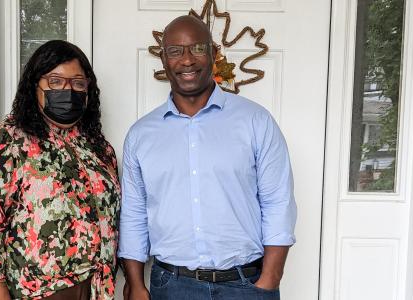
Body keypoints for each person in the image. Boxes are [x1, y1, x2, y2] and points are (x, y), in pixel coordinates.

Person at [118, 15, 296, 300]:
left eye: (197, 49)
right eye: (175, 51)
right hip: (171, 285)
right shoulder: (141, 135)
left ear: (213, 53)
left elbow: (278, 201)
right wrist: (136, 284)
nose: (187, 60)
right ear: (163, 60)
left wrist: (270, 279)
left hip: (246, 284)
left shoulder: (255, 121)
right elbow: (134, 213)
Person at [0, 40, 121, 300]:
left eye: (78, 83)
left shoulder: (99, 148)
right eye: (55, 82)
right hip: (38, 290)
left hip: (97, 287)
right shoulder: (9, 140)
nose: (68, 90)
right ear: (35, 86)